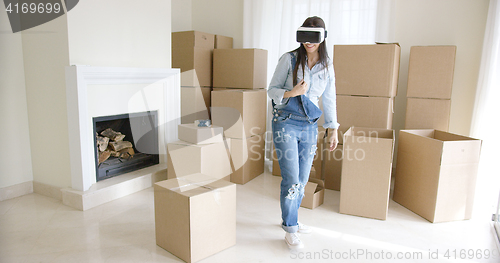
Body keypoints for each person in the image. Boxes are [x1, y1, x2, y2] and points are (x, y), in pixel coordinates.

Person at [267, 16, 339, 249]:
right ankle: (290, 227)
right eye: (305, 36)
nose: (308, 42)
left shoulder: (327, 65)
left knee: (302, 179)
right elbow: (272, 90)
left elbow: (328, 98)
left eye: (314, 37)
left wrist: (333, 129)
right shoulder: (288, 60)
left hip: (309, 125)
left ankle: (292, 220)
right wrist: (293, 92)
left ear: (323, 37)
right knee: (291, 179)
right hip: (286, 121)